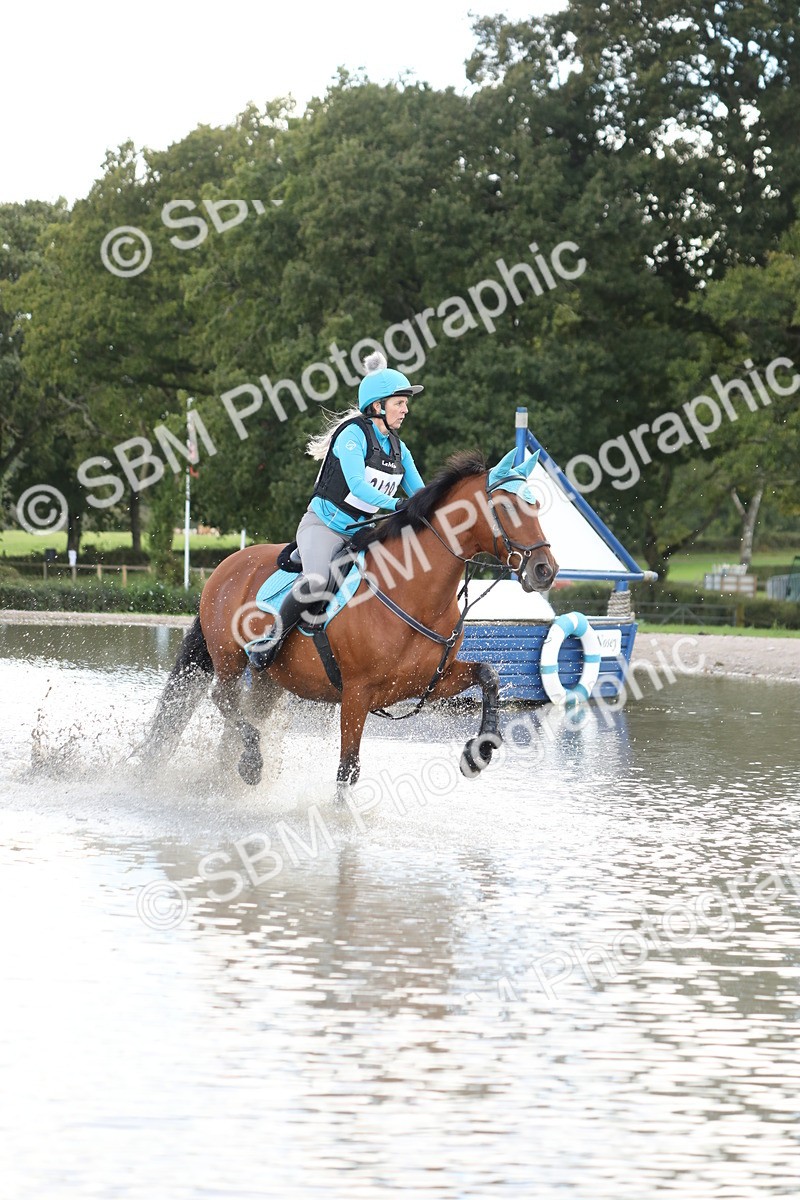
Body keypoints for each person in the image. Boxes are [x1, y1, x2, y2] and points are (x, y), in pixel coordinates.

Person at [250, 350, 425, 669]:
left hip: (361, 534)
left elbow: (421, 494)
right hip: (324, 528)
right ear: (378, 406)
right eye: (399, 402)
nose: (405, 409)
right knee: (317, 581)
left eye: (405, 403)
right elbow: (357, 486)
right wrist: (398, 504)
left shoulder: (400, 449)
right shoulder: (352, 435)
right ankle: (269, 642)